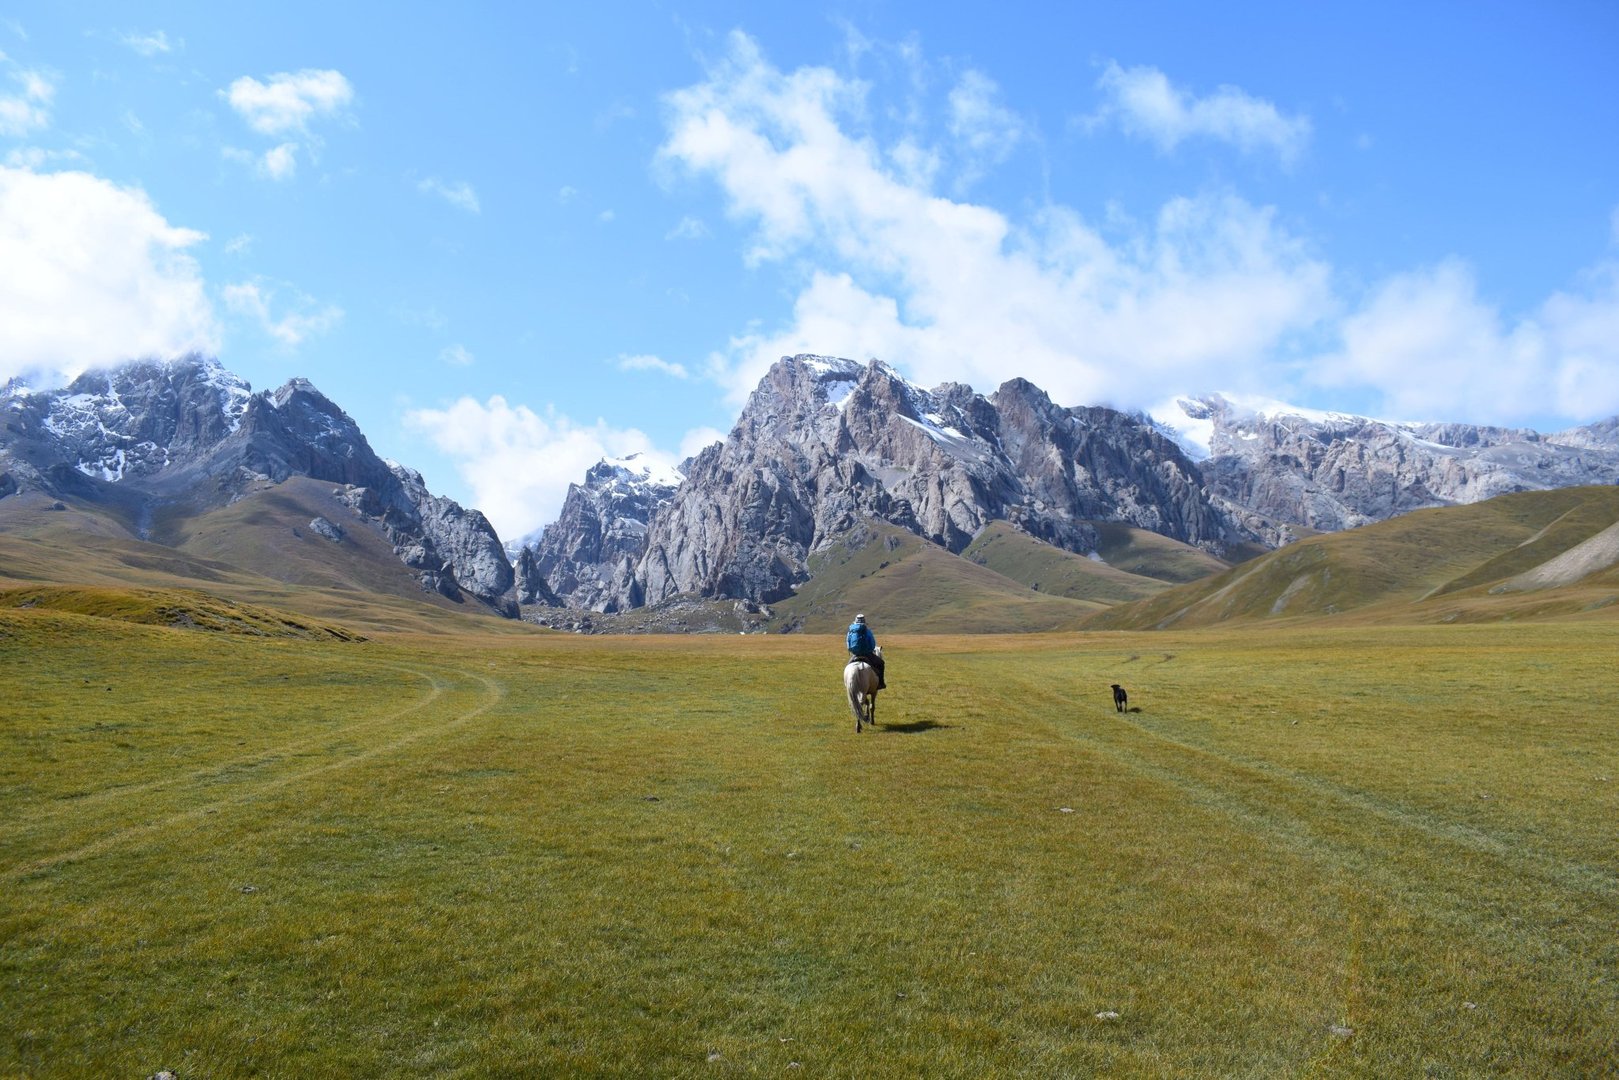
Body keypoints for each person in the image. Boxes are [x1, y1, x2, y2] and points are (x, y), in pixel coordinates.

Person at [846, 612, 886, 689]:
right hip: (867, 654)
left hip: (855, 654)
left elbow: (848, 643)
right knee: (881, 663)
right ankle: (881, 683)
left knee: (847, 668)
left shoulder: (851, 631)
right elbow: (872, 644)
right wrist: (870, 649)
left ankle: (847, 683)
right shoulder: (867, 631)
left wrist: (852, 650)